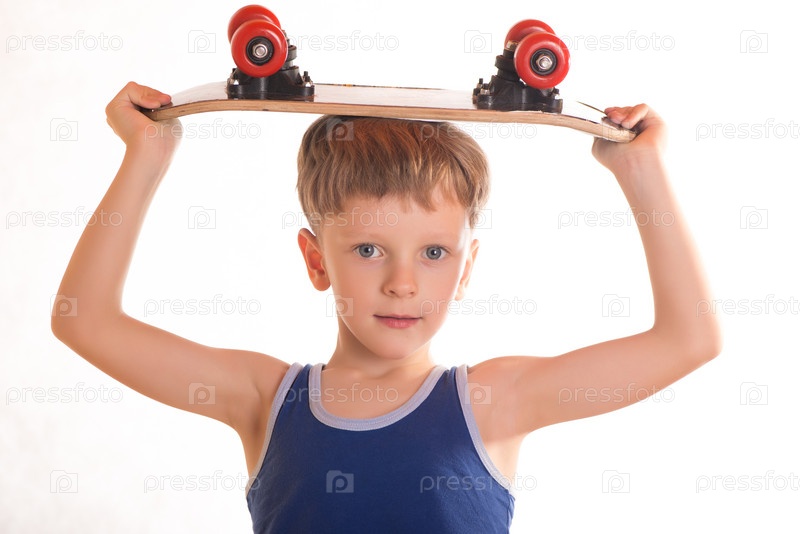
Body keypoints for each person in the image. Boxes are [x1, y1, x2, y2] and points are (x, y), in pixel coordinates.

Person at [52, 82, 722, 533]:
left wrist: (642, 171)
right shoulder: (264, 398)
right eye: (369, 250)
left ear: (466, 268)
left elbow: (689, 340)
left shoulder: (495, 401)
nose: (403, 284)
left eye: (434, 253)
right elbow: (85, 319)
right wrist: (146, 156)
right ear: (317, 260)